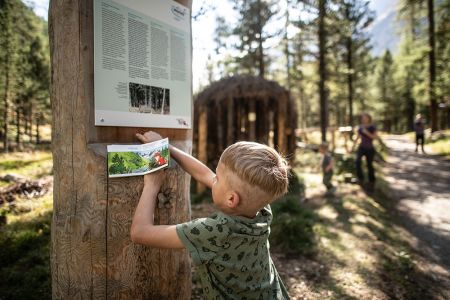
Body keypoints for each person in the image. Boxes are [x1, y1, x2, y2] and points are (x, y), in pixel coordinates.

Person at [131, 131, 291, 299]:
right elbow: (203, 174)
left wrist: (152, 184)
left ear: (231, 199)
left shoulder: (214, 231)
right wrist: (168, 148)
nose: (213, 178)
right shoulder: (263, 212)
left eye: (218, 178)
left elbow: (139, 233)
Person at [352, 113, 379, 190]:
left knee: (369, 165)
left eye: (365, 118)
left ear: (368, 118)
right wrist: (353, 147)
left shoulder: (372, 127)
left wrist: (366, 132)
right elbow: (358, 137)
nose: (363, 119)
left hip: (370, 148)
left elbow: (375, 137)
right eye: (362, 118)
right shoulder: (360, 127)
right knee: (357, 162)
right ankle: (360, 179)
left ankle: (371, 182)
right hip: (361, 147)